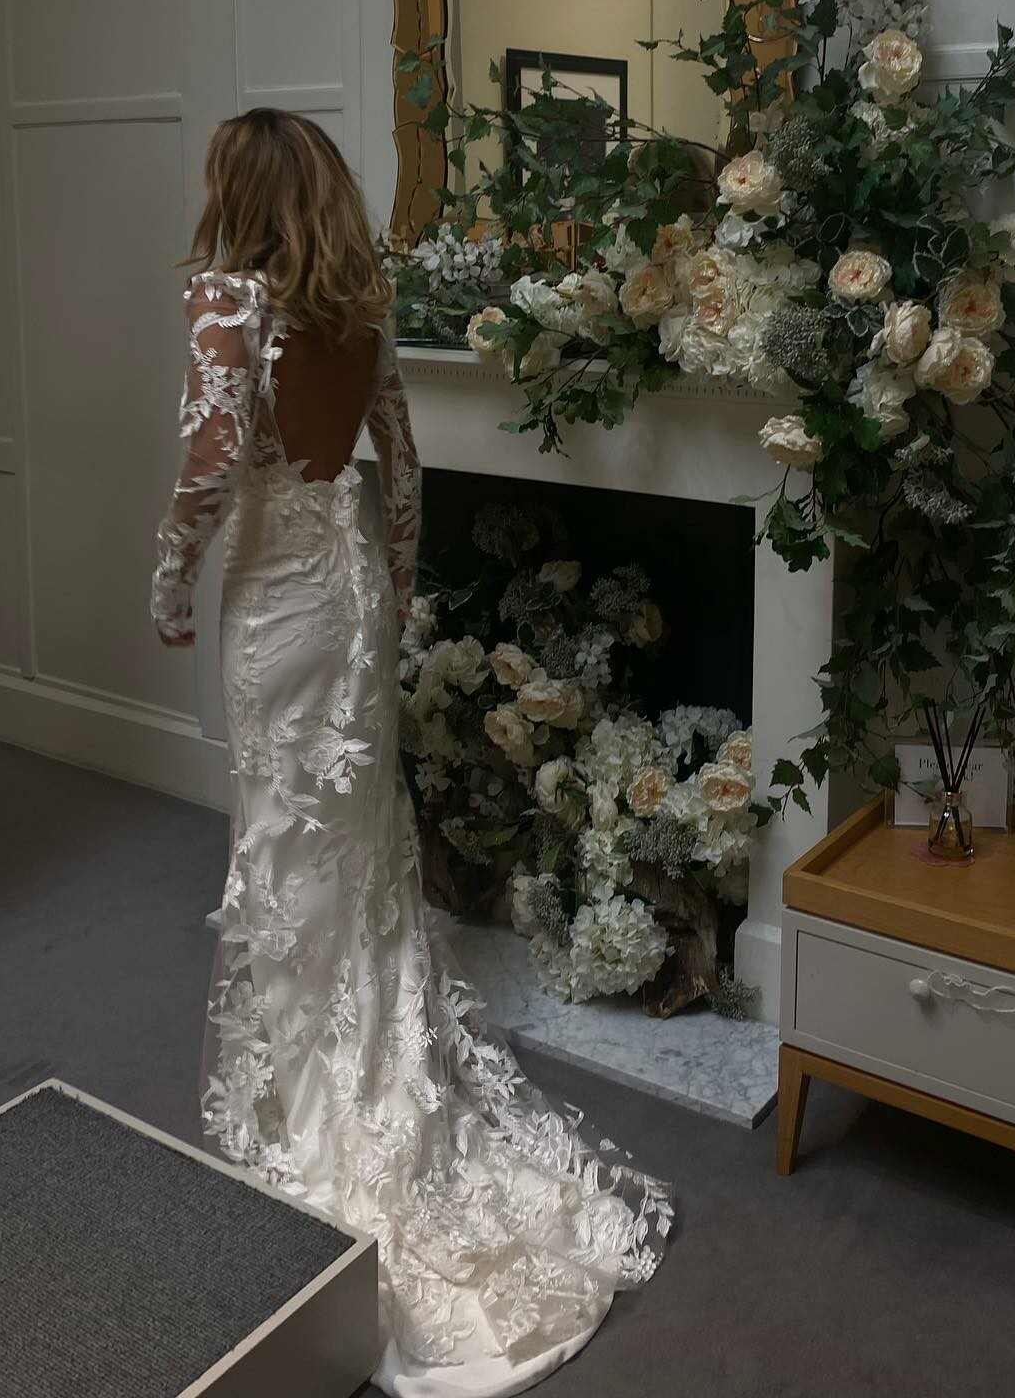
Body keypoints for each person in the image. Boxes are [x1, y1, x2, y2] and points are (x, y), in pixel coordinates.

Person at [151, 110, 670, 1397]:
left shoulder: (228, 300)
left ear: (242, 192)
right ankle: (374, 1078)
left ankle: (315, 1128)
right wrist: (388, 587)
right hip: (348, 598)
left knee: (287, 850)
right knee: (357, 847)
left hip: (276, 602)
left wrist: (169, 578)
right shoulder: (361, 314)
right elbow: (407, 467)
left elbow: (211, 460)